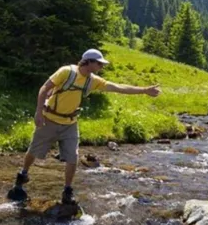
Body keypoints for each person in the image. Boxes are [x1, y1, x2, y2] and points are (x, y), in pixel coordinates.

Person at [8, 49, 162, 205]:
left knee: (73, 158)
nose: (101, 66)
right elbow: (44, 89)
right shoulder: (66, 72)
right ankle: (23, 175)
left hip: (70, 123)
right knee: (34, 150)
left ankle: (67, 191)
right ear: (88, 62)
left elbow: (118, 87)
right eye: (99, 63)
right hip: (49, 120)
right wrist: (38, 112)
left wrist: (144, 90)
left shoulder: (93, 80)